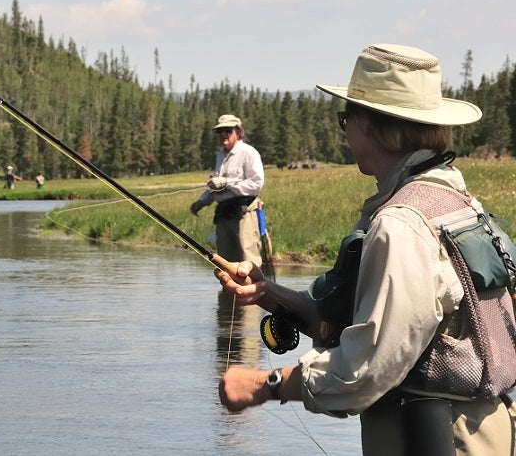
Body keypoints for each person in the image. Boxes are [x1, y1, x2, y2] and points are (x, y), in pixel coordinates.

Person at [215, 44, 516, 455]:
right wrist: (268, 292)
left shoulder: (402, 224)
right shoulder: (456, 201)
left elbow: (366, 369)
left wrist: (263, 385)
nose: (346, 133)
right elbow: (380, 319)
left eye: (346, 119)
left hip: (438, 439)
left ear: (372, 126)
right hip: (481, 431)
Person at [190, 114, 265, 265]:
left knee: (249, 262)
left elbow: (256, 184)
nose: (223, 134)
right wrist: (201, 202)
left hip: (245, 214)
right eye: (220, 131)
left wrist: (227, 182)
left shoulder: (248, 153)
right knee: (226, 264)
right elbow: (214, 186)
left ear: (238, 132)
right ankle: (228, 290)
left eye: (227, 130)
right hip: (223, 215)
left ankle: (254, 289)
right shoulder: (220, 156)